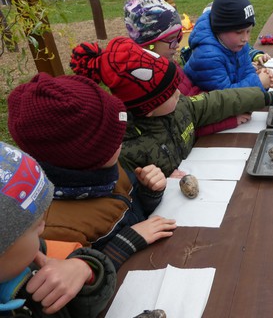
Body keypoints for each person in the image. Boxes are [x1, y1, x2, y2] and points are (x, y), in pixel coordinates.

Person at [7, 73, 177, 271]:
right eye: (114, 140)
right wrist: (127, 242)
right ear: (85, 155)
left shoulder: (106, 168)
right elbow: (82, 285)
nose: (121, 141)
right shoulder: (55, 228)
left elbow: (131, 206)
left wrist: (149, 192)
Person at [69, 36, 273, 178]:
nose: (180, 93)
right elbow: (128, 191)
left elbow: (218, 101)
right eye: (171, 93)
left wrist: (264, 98)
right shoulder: (126, 149)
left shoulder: (180, 107)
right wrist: (157, 181)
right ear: (149, 109)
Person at [0, 141, 116, 317]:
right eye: (34, 227)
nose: (43, 228)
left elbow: (89, 296)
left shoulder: (37, 254)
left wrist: (84, 270)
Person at [124, 0, 252, 136]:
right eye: (171, 39)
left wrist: (226, 110)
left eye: (179, 37)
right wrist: (228, 120)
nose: (177, 45)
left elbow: (194, 96)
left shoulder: (170, 65)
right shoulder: (148, 82)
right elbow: (182, 121)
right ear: (149, 44)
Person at [183, 0, 273, 92]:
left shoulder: (236, 45)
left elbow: (246, 71)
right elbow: (226, 97)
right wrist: (259, 83)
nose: (245, 39)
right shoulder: (207, 56)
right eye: (239, 32)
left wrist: (258, 75)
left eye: (248, 31)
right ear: (220, 28)